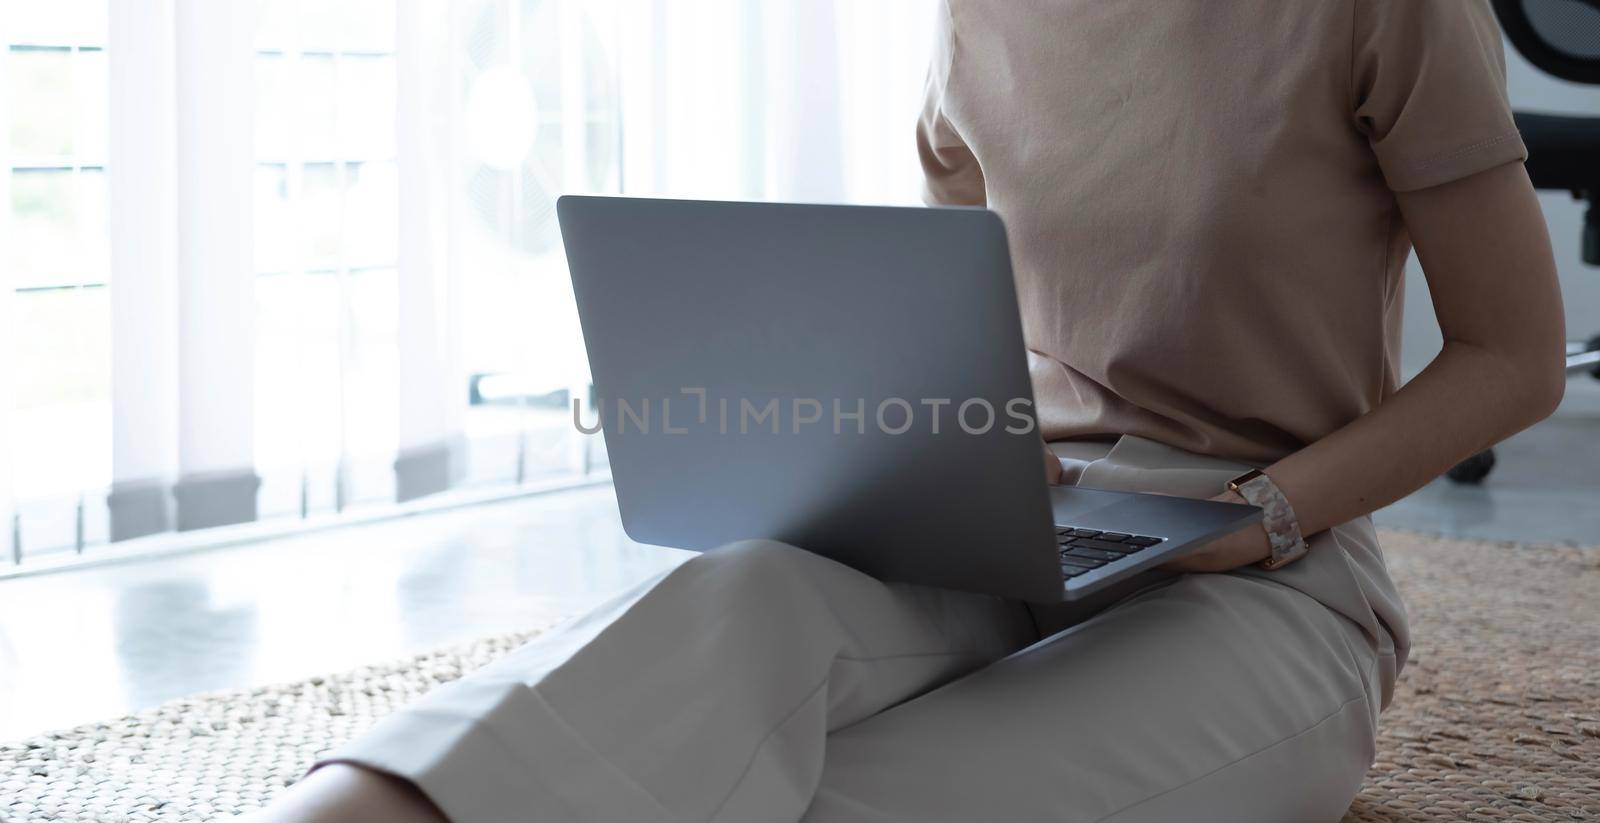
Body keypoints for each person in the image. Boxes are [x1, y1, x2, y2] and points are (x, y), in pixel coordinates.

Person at [248, 1, 1566, 820]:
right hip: (1022, 516)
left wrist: (1257, 511)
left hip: (1275, 575)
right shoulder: (974, 14)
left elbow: (1516, 357)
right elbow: (965, 327)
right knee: (729, 610)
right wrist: (910, 451)